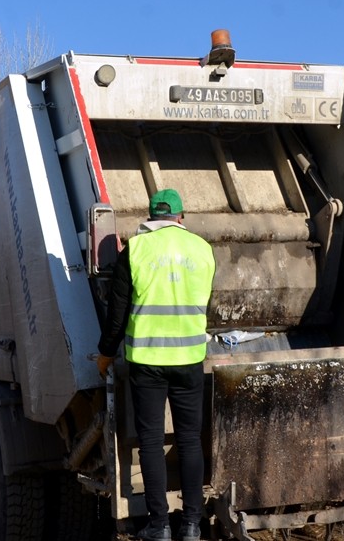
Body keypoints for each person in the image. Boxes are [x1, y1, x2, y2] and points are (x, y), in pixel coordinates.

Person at [97, 188, 215, 541]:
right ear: (180, 217)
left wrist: (105, 354)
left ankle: (159, 526)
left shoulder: (135, 249)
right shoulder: (203, 250)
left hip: (147, 362)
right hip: (190, 360)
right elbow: (204, 303)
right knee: (190, 440)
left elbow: (117, 315)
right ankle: (192, 524)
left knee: (150, 441)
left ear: (150, 217)